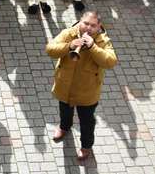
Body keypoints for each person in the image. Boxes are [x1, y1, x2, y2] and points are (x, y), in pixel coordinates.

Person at [46, 11, 117, 161]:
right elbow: (50, 49)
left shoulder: (103, 41)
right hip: (65, 87)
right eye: (85, 23)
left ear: (99, 26)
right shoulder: (69, 33)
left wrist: (93, 47)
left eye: (93, 25)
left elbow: (110, 61)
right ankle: (64, 127)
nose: (88, 28)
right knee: (64, 112)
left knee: (87, 122)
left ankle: (86, 146)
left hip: (87, 92)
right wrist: (69, 46)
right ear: (80, 21)